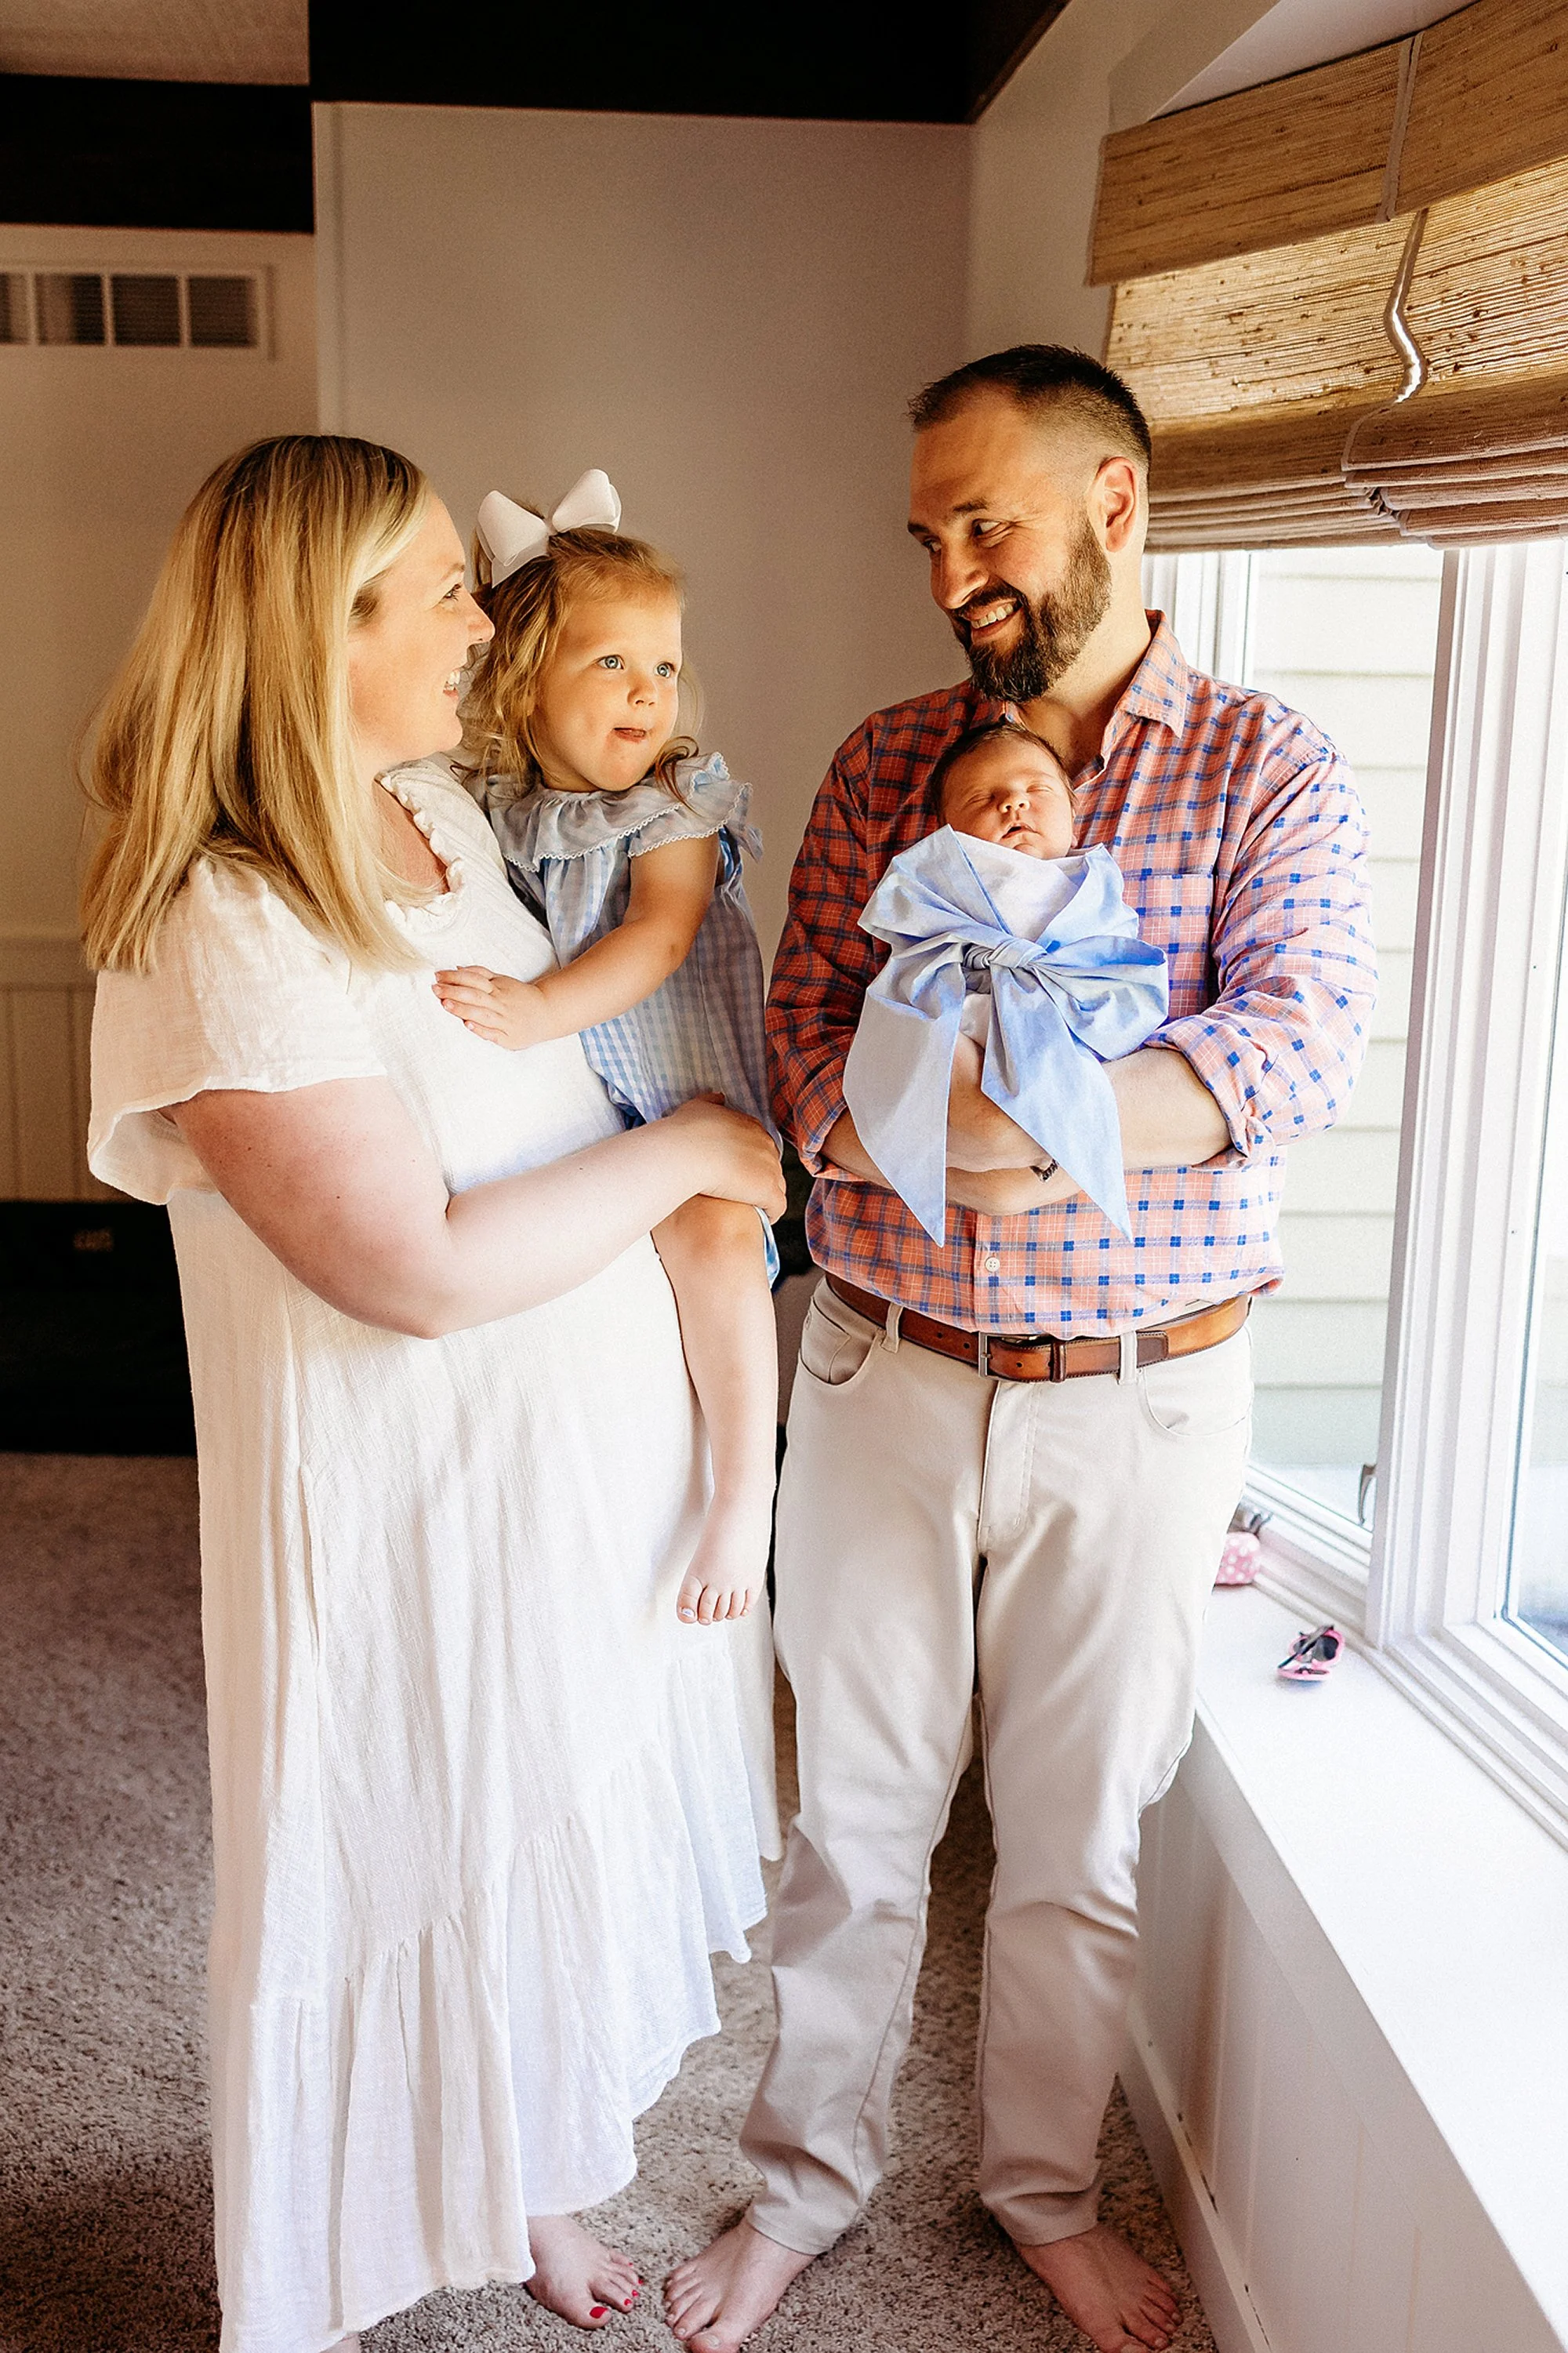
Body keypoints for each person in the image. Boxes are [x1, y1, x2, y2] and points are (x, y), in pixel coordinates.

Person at [666, 345, 1375, 2353]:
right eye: (927, 532)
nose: (948, 568)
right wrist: (897, 1134)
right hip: (882, 1366)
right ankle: (801, 2187)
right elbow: (795, 1024)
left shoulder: (1267, 766)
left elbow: (1290, 1042)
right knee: (854, 1818)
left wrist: (1002, 1132)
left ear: (1112, 504)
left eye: (984, 521)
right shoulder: (888, 755)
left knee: (1072, 1836)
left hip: (1142, 1390)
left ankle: (1040, 2191)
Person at [82, 434, 784, 2353]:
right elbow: (404, 1269)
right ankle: (336, 2265)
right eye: (443, 587)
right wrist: (702, 1144)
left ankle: (527, 2168)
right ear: (330, 628)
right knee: (403, 1844)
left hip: (566, 1487)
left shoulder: (436, 815)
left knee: (529, 1840)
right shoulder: (220, 914)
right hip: (407, 1507)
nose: (490, 614)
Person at [423, 473, 778, 1626]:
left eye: (664, 667)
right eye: (613, 664)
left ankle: (746, 1488)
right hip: (596, 1105)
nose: (648, 693)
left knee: (715, 1244)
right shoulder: (499, 798)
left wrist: (538, 1010)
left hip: (687, 1086)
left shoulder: (670, 799)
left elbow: (660, 936)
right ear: (525, 683)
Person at [841, 714, 1169, 1244]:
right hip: (963, 1005)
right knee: (921, 1052)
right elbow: (912, 947)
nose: (1013, 803)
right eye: (981, 799)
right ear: (946, 836)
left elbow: (1111, 958)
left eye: (1036, 789)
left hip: (1063, 1006)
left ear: (1074, 809)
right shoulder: (933, 881)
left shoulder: (1093, 884)